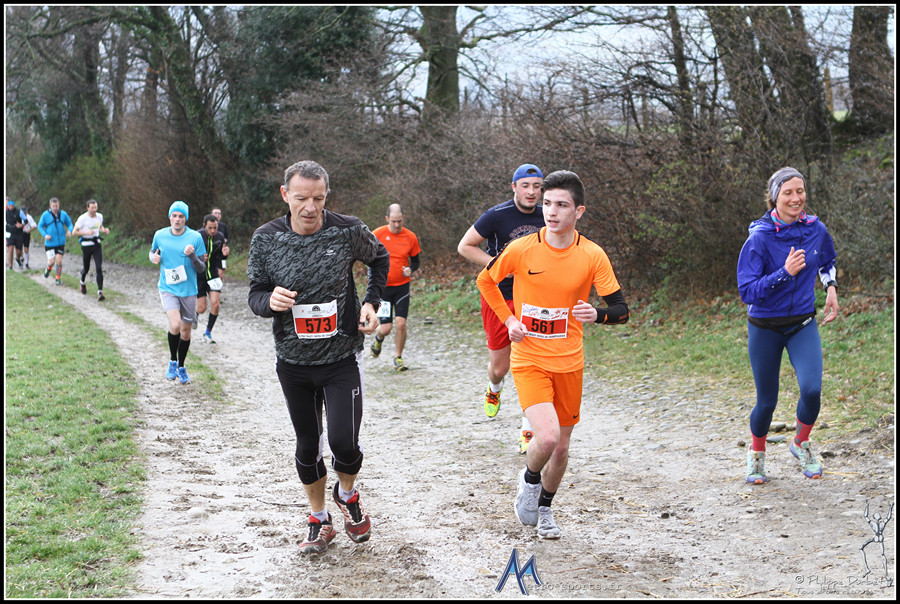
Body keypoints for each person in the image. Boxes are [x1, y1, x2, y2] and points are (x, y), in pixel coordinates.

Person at [476, 170, 629, 540]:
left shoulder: (591, 255)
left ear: (579, 211)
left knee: (560, 449)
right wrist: (510, 320)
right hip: (529, 358)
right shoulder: (522, 248)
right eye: (547, 204)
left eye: (561, 205)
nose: (551, 211)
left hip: (569, 362)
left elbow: (621, 310)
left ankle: (545, 507)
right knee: (545, 438)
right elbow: (485, 281)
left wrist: (598, 315)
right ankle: (529, 481)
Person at [247, 160, 389, 556]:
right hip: (293, 363)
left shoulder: (347, 230)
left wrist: (372, 303)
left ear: (327, 196)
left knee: (345, 443)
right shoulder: (266, 239)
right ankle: (319, 518)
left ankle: (347, 494)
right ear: (285, 195)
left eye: (319, 198)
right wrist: (269, 301)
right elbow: (255, 293)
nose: (310, 207)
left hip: (341, 358)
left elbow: (380, 259)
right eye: (301, 199)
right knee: (308, 446)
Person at [737, 167, 839, 484]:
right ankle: (757, 453)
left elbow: (827, 259)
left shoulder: (815, 229)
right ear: (774, 198)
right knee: (767, 401)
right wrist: (785, 273)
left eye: (800, 191)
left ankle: (801, 442)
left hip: (802, 323)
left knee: (812, 390)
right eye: (788, 193)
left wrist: (831, 287)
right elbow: (747, 292)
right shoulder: (759, 237)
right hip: (765, 327)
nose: (796, 198)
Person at [458, 163, 546, 453]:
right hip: (498, 296)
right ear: (514, 187)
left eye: (537, 186)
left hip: (533, 299)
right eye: (525, 186)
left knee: (531, 365)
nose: (531, 192)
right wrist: (496, 264)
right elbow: (465, 246)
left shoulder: (548, 214)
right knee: (501, 367)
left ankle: (528, 429)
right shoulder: (497, 215)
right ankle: (494, 388)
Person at [149, 201, 207, 385]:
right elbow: (152, 252)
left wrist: (192, 256)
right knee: (175, 325)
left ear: (185, 219)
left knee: (186, 332)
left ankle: (181, 367)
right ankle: (172, 362)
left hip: (188, 291)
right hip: (168, 288)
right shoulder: (160, 235)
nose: (177, 219)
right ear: (169, 217)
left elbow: (201, 268)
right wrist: (153, 257)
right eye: (174, 215)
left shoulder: (195, 237)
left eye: (181, 216)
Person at [369, 203, 422, 371]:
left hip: (402, 288)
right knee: (386, 328)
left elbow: (416, 261)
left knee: (401, 324)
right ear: (387, 219)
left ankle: (398, 357)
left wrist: (410, 269)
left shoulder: (410, 237)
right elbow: (366, 255)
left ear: (403, 218)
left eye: (399, 221)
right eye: (393, 221)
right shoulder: (377, 234)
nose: (397, 225)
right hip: (383, 289)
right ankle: (378, 338)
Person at [195, 214, 230, 343]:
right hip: (199, 276)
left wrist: (225, 256)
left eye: (215, 227)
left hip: (213, 274)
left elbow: (221, 256)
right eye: (210, 228)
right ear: (204, 226)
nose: (213, 230)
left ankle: (208, 333)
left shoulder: (220, 237)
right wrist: (198, 258)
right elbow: (187, 255)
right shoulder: (197, 236)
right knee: (201, 308)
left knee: (215, 304)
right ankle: (194, 314)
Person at [72, 199, 111, 301]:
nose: (94, 210)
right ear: (87, 208)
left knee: (99, 268)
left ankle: (100, 292)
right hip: (86, 245)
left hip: (96, 244)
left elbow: (99, 226)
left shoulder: (99, 216)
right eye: (92, 208)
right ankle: (82, 282)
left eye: (96, 207)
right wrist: (86, 232)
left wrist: (104, 230)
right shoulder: (82, 218)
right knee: (86, 268)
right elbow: (74, 232)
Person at [37, 197, 74, 285]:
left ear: (59, 205)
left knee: (59, 260)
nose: (55, 208)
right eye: (53, 206)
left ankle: (58, 278)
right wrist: (45, 235)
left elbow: (70, 224)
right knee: (51, 262)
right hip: (50, 243)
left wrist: (69, 231)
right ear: (50, 206)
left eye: (57, 206)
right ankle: (48, 269)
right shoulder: (45, 215)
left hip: (60, 242)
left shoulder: (63, 214)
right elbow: (40, 226)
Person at [6, 198, 26, 270]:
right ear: (8, 206)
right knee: (10, 249)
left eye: (12, 206)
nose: (11, 207)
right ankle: (10, 266)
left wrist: (21, 225)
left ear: (14, 205)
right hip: (10, 233)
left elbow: (26, 220)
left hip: (18, 233)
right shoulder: (5, 213)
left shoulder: (19, 212)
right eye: (9, 206)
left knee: (18, 251)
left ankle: (18, 259)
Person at [20, 204, 37, 269]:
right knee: (19, 247)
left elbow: (34, 226)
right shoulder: (18, 217)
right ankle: (21, 259)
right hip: (19, 233)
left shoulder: (29, 217)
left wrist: (29, 230)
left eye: (25, 212)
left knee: (26, 249)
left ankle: (26, 263)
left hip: (26, 233)